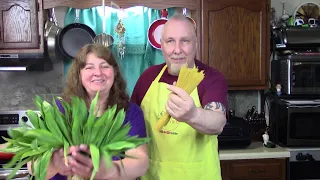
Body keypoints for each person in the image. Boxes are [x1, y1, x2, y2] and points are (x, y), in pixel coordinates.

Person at [27, 43, 149, 180]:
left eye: (104, 66)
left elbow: (140, 161)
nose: (98, 72)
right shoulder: (60, 111)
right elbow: (33, 167)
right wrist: (55, 163)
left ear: (114, 72)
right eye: (89, 67)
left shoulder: (130, 112)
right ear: (79, 74)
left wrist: (110, 170)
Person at [131, 14, 228, 180]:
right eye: (170, 41)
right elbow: (130, 123)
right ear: (161, 45)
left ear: (196, 44)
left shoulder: (211, 78)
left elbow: (217, 122)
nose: (177, 50)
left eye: (185, 41)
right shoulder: (148, 77)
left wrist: (192, 115)